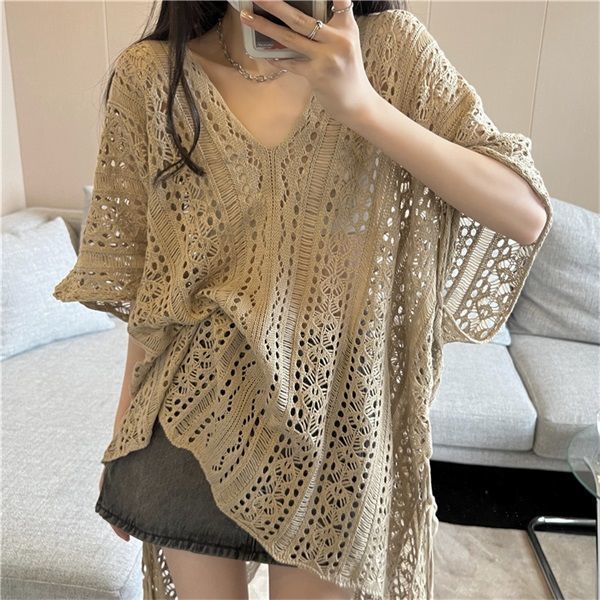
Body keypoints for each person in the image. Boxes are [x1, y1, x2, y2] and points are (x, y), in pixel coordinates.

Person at [53, 1, 553, 599]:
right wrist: (122, 437)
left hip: (340, 416)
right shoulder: (153, 75)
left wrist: (361, 104)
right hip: (191, 418)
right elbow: (152, 292)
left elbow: (525, 214)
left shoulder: (390, 51)